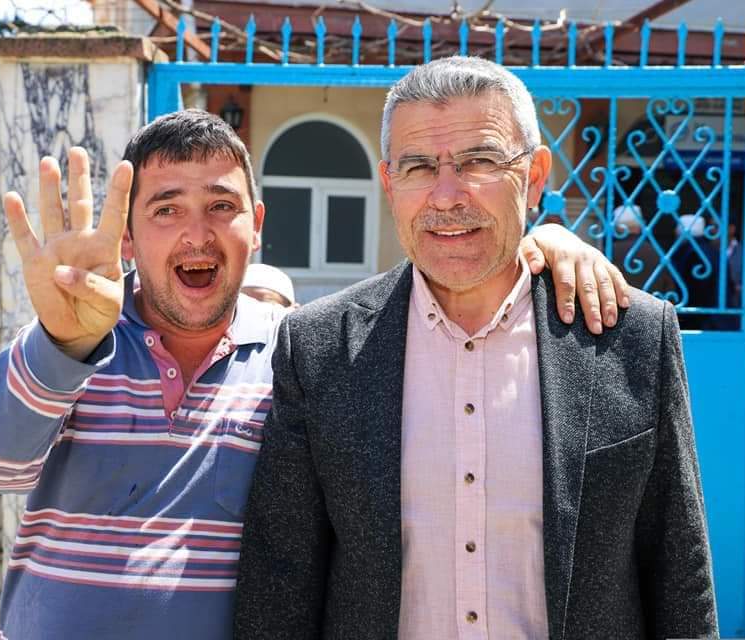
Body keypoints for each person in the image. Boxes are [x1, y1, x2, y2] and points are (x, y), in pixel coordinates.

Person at [0, 110, 629, 639]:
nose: (197, 234)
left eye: (222, 206)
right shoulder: (73, 340)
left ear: (257, 223)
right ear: (127, 238)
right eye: (166, 209)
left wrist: (538, 246)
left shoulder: (305, 357)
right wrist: (59, 344)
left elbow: (437, 308)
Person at [233, 57, 718, 640]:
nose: (446, 196)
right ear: (389, 184)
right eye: (418, 167)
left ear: (534, 177)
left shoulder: (629, 337)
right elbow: (282, 583)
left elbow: (679, 571)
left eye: (479, 162)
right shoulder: (318, 349)